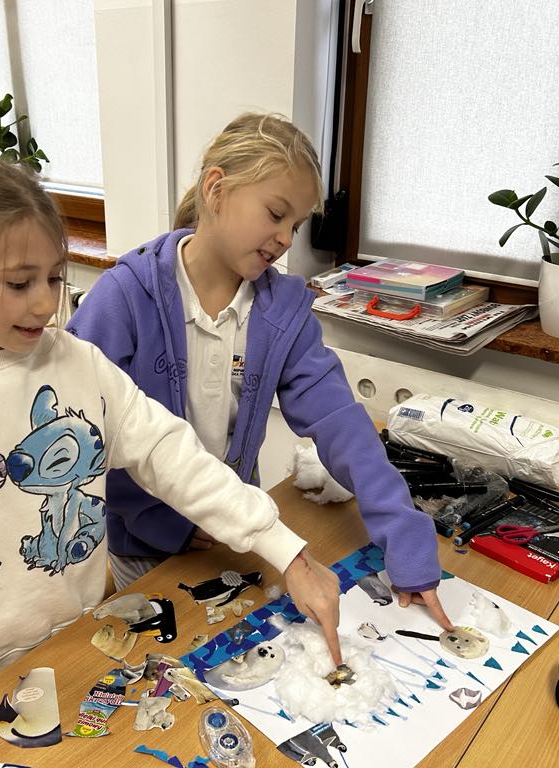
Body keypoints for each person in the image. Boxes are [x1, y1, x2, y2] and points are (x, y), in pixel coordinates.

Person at [0, 154, 341, 729]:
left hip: (72, 652)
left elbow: (171, 455)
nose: (43, 302)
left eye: (54, 278)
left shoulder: (80, 365)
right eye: (19, 283)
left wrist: (285, 549)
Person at [68, 113, 452, 630]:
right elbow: (79, 434)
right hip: (145, 546)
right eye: (275, 214)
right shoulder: (123, 298)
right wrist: (157, 519)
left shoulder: (281, 312)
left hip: (235, 537)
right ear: (216, 189)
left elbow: (343, 425)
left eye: (295, 226)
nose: (285, 238)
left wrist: (405, 537)